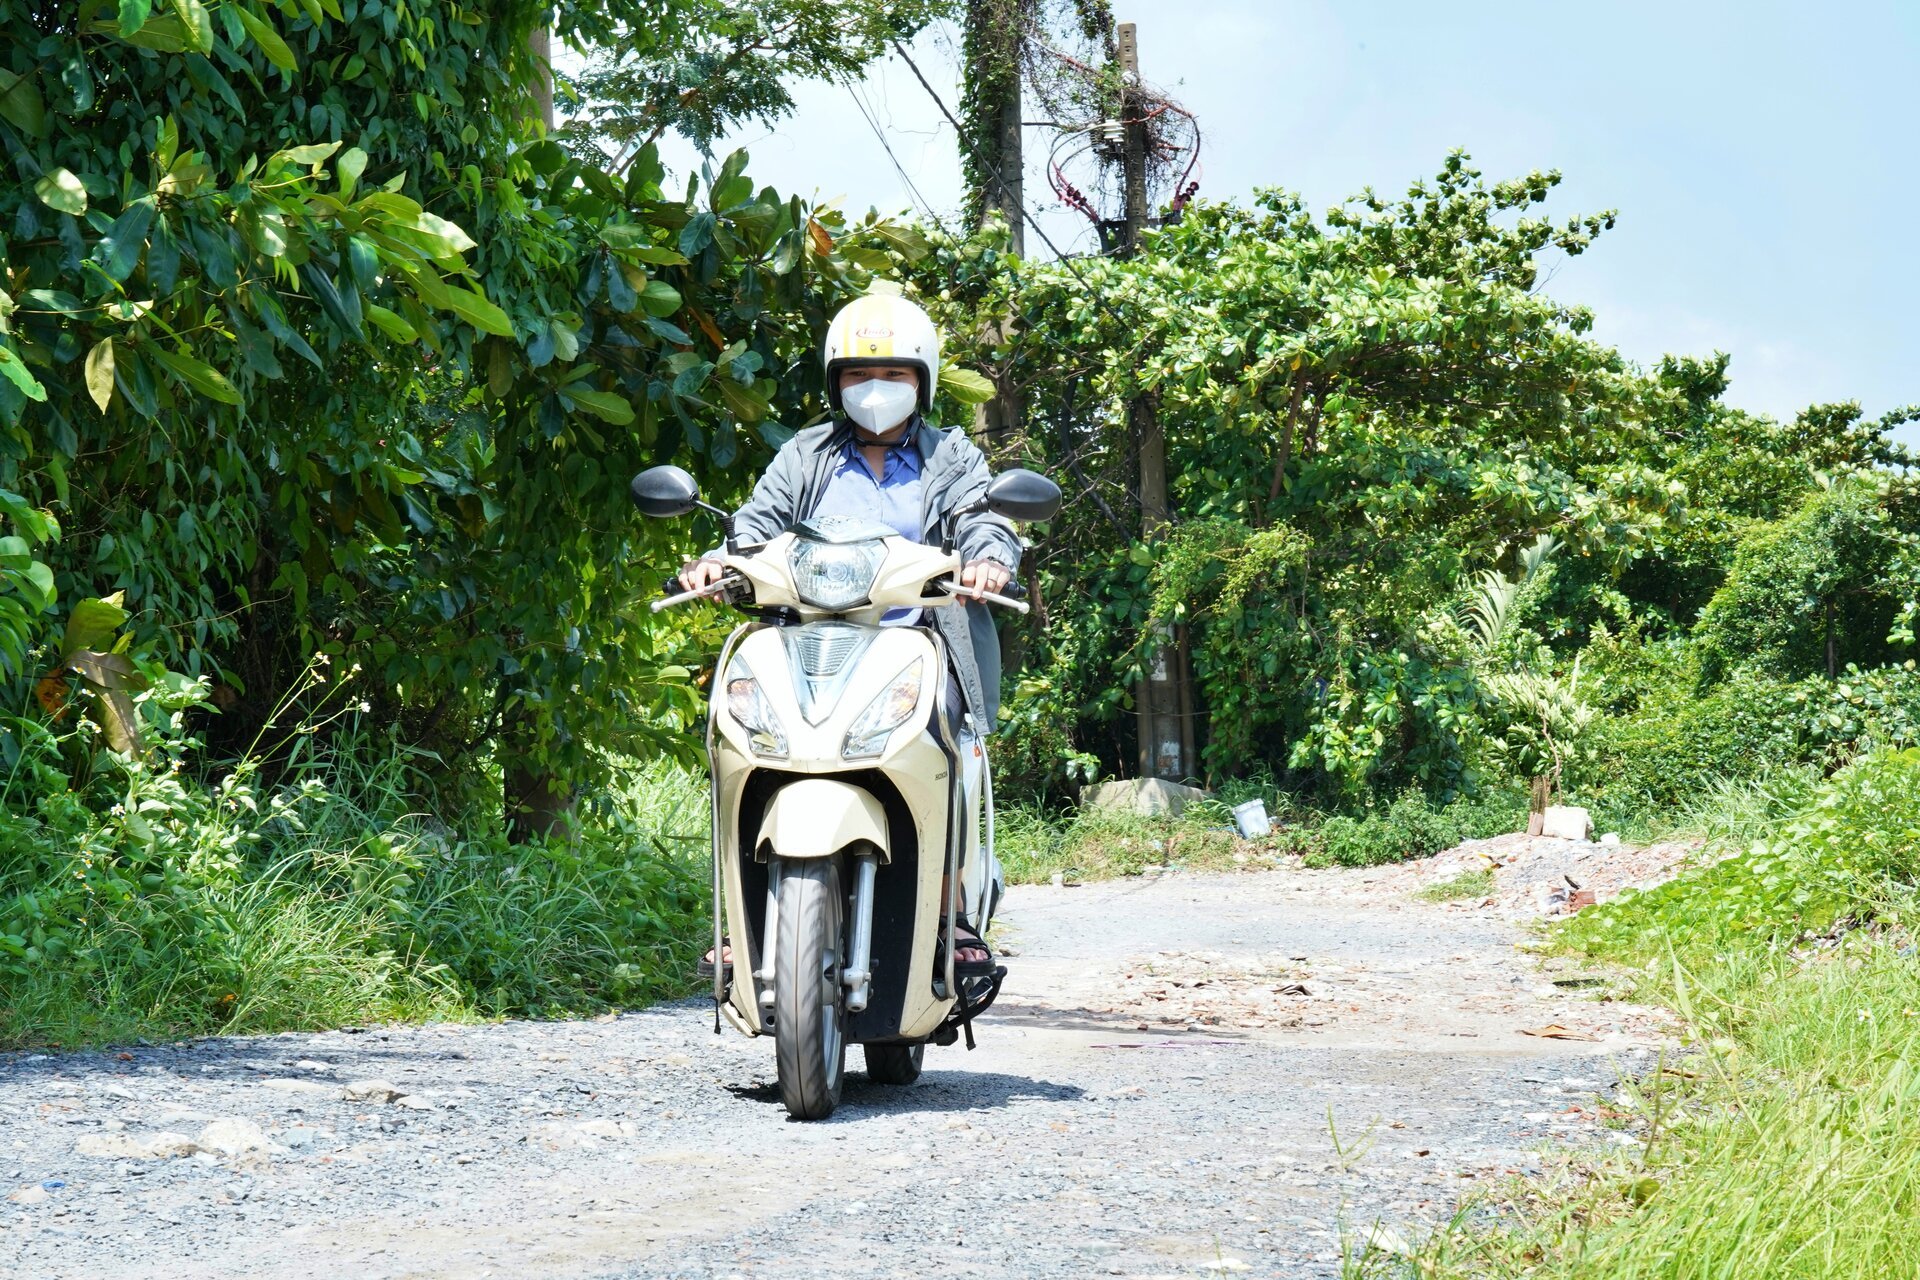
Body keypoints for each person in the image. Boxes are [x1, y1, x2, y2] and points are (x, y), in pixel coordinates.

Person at [681, 292, 1016, 968]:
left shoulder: (950, 456)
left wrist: (986, 561)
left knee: (945, 734)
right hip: (804, 639)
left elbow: (985, 518)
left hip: (914, 643)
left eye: (893, 376)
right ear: (837, 382)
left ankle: (950, 915)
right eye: (861, 376)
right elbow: (757, 520)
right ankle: (739, 918)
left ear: (920, 380)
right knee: (737, 734)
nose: (875, 391)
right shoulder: (807, 454)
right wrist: (723, 561)